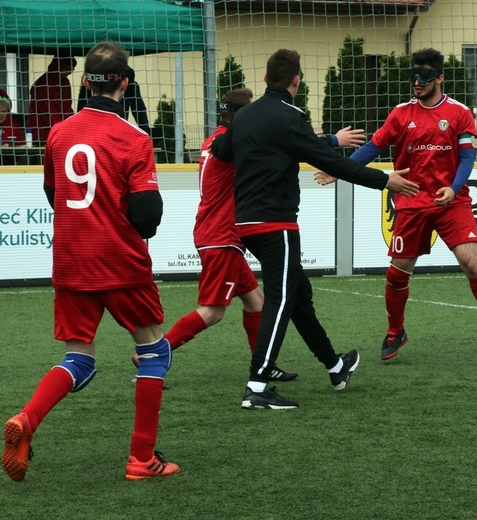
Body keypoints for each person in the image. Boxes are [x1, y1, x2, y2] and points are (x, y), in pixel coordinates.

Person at [2, 41, 178, 482]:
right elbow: (147, 217)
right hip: (118, 260)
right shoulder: (135, 138)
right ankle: (142, 460)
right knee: (154, 350)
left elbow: (52, 196)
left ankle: (27, 420)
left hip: (71, 258)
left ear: (85, 82)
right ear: (125, 82)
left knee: (78, 358)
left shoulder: (59, 132)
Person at [211, 49, 419, 410]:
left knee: (298, 296)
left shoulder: (245, 116)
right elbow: (325, 160)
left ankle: (335, 366)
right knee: (280, 298)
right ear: (296, 80)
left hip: (245, 222)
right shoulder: (292, 116)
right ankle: (257, 386)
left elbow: (221, 150)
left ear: (264, 79)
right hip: (276, 222)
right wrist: (385, 180)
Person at [134, 88, 367, 383]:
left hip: (219, 230)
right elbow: (272, 146)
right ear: (244, 114)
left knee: (256, 301)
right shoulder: (238, 142)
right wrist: (331, 140)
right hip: (224, 234)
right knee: (214, 311)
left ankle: (265, 366)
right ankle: (152, 353)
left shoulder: (213, 140)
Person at [317, 47, 477, 360]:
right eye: (413, 76)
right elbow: (374, 147)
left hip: (452, 200)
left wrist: (454, 188)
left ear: (439, 78)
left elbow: (467, 156)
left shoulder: (459, 112)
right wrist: (340, 170)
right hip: (410, 200)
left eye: (423, 76)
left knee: (472, 262)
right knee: (398, 272)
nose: (416, 83)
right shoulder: (401, 113)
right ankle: (396, 330)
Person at [78, 66, 150, 134]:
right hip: (94, 126)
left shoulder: (130, 84)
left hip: (118, 127)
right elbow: (81, 107)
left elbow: (140, 112)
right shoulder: (93, 81)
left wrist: (146, 133)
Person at [25, 50, 77, 145]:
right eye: (68, 69)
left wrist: (73, 125)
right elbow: (49, 113)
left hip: (60, 131)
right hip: (41, 135)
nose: (69, 73)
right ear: (59, 66)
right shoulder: (42, 85)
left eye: (72, 70)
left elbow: (67, 109)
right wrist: (64, 131)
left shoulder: (65, 83)